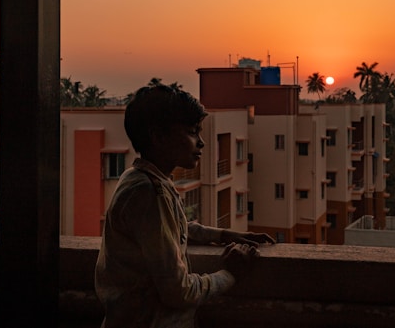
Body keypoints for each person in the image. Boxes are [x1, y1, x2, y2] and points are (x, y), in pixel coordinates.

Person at [95, 84, 275, 327]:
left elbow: (171, 228)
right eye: (192, 132)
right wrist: (230, 274)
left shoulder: (138, 177)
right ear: (158, 137)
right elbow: (179, 292)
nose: (200, 142)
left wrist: (224, 234)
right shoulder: (148, 193)